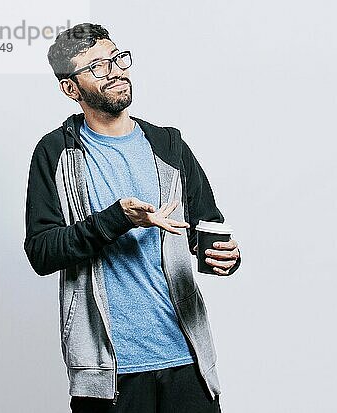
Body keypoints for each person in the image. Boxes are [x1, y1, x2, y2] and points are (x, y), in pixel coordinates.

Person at [23, 22, 241, 413]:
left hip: (187, 360)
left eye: (117, 59)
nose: (117, 71)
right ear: (70, 89)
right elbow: (42, 252)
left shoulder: (169, 145)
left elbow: (207, 227)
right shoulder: (55, 153)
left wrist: (227, 257)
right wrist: (116, 219)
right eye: (98, 67)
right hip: (110, 375)